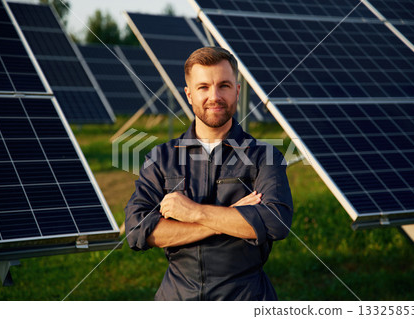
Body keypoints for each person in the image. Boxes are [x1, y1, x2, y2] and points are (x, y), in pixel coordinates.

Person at [125, 46, 293, 301]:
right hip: (177, 298)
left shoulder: (265, 156)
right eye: (203, 87)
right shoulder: (161, 158)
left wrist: (194, 213)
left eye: (224, 85)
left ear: (237, 91)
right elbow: (137, 230)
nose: (214, 96)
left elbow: (276, 223)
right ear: (189, 94)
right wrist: (229, 220)